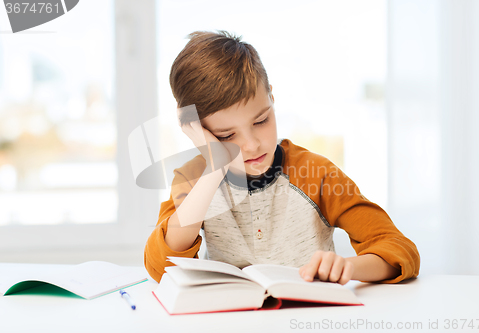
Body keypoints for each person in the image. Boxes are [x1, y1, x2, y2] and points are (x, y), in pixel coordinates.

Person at [144, 30, 420, 285]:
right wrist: (214, 167)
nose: (251, 145)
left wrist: (348, 267)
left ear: (272, 97)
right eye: (227, 136)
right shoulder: (193, 181)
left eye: (261, 120)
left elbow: (399, 250)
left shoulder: (316, 173)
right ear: (198, 129)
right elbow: (160, 267)